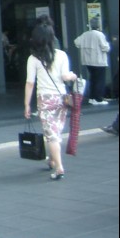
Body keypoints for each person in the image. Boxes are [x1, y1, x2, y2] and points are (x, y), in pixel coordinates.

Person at [24, 22, 77, 180]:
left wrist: (27, 104)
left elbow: (30, 83)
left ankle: (59, 167)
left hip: (45, 99)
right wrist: (73, 76)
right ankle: (52, 159)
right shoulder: (61, 54)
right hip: (61, 98)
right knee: (56, 132)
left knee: (51, 135)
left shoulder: (33, 59)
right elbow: (65, 76)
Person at [74, 18, 111, 105]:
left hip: (88, 61)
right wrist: (108, 45)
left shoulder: (85, 34)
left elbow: (76, 42)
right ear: (98, 25)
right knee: (99, 80)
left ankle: (92, 97)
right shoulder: (99, 34)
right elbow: (105, 47)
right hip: (99, 61)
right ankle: (98, 99)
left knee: (93, 79)